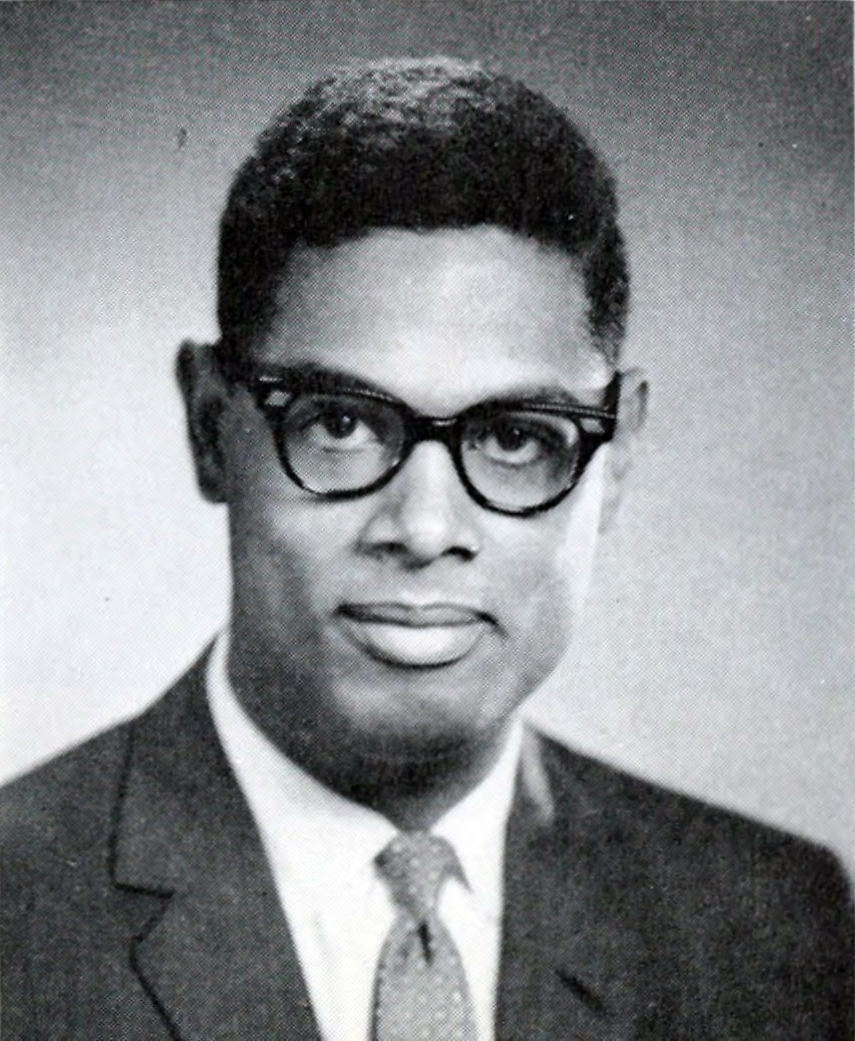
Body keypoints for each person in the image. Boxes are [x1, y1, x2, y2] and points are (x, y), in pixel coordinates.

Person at [2, 57, 851, 1041]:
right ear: (210, 426)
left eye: (516, 438)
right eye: (340, 424)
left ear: (616, 457)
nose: (425, 529)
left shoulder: (777, 928)